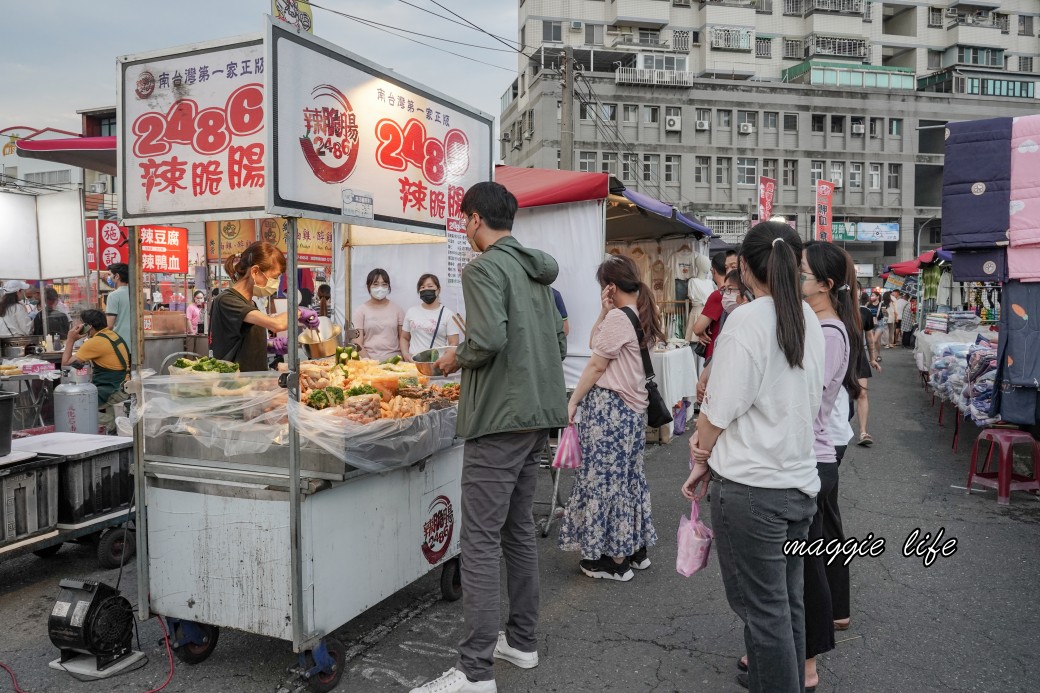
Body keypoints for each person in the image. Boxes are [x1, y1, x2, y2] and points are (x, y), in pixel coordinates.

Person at [416, 182, 567, 693]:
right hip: (535, 416)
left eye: (464, 220)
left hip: (499, 417)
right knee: (517, 531)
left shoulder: (483, 267)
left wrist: (455, 356)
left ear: (475, 219)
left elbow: (489, 339)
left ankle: (475, 672)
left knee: (479, 541)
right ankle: (521, 642)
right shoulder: (534, 271)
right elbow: (554, 337)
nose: (464, 229)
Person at [682, 222, 824, 693]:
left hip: (750, 490)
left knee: (765, 613)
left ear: (744, 266)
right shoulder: (808, 318)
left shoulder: (746, 321)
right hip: (799, 486)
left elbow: (717, 411)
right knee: (786, 604)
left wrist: (699, 457)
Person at [558, 255, 663, 582]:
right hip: (631, 412)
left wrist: (573, 401)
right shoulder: (642, 312)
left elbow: (596, 364)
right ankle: (634, 550)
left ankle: (613, 560)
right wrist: (605, 310)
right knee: (628, 478)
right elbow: (596, 344)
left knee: (605, 481)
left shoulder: (621, 318)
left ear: (611, 286)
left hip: (610, 411)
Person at [209, 242, 318, 372]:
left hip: (253, 383)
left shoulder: (250, 303)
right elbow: (276, 324)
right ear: (255, 271)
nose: (276, 284)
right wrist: (299, 312)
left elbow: (241, 342)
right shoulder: (227, 300)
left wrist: (270, 345)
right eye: (274, 277)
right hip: (234, 385)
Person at [61, 309, 130, 432]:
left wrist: (70, 339)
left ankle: (111, 423)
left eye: (81, 324)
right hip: (122, 386)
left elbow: (66, 365)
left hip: (112, 391)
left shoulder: (95, 342)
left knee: (75, 407)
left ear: (88, 326)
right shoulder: (112, 335)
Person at [689, 251, 737, 361]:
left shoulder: (718, 295)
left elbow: (697, 328)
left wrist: (702, 332)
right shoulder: (738, 293)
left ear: (713, 271)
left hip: (716, 351)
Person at [402, 274, 461, 359]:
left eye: (430, 286)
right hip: (413, 363)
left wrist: (445, 359)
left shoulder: (448, 314)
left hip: (436, 364)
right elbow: (404, 337)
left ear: (438, 290)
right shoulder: (411, 312)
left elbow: (454, 343)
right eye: (422, 287)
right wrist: (406, 354)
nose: (426, 289)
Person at [352, 269, 406, 362]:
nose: (380, 288)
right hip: (369, 362)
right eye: (375, 284)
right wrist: (370, 363)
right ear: (368, 286)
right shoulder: (360, 311)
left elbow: (404, 339)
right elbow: (357, 343)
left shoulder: (398, 310)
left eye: (384, 284)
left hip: (396, 361)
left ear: (388, 287)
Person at [855, 293, 882, 447]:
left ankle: (863, 432)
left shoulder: (864, 312)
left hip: (859, 358)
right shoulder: (835, 308)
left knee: (862, 393)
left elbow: (869, 337)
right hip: (839, 357)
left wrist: (872, 358)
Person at [105, 263, 133, 351]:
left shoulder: (113, 296)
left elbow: (109, 325)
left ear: (117, 276)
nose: (108, 278)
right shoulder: (135, 294)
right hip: (134, 343)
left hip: (120, 343)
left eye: (110, 275)